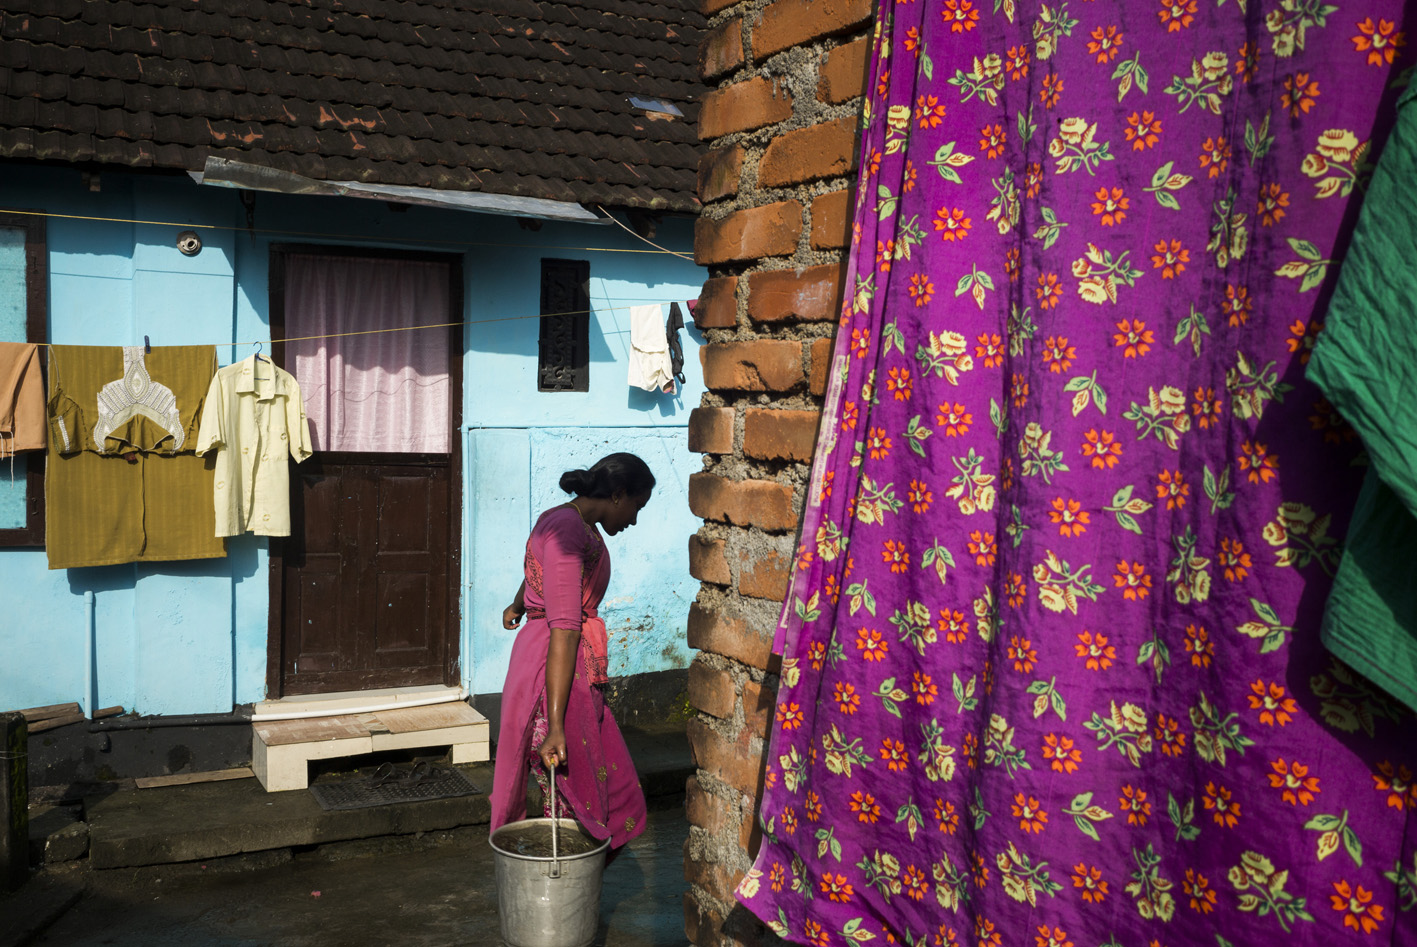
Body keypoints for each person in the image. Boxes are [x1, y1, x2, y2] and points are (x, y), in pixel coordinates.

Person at [488, 452, 656, 854]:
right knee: (576, 794)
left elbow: (544, 572)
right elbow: (564, 628)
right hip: (556, 664)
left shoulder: (565, 520)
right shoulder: (570, 529)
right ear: (618, 495)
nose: (634, 520)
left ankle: (568, 878)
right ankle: (558, 889)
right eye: (636, 507)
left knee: (603, 792)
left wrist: (519, 602)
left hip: (557, 657)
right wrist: (558, 725)